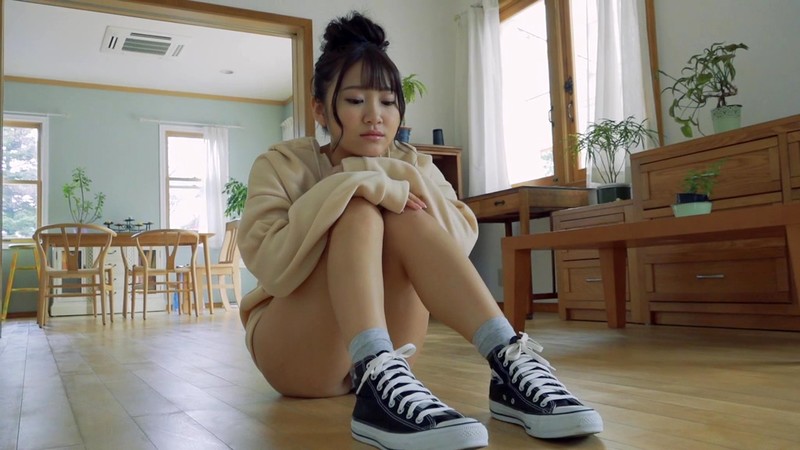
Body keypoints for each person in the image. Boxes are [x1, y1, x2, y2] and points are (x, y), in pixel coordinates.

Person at [237, 11, 603, 450]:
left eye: (388, 102)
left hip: (396, 351)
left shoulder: (415, 165)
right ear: (320, 109)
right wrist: (353, 185)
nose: (375, 116)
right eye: (355, 100)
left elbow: (455, 244)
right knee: (359, 208)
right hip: (297, 351)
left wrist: (388, 176)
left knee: (403, 213)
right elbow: (270, 265)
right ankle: (374, 374)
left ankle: (508, 362)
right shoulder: (282, 164)